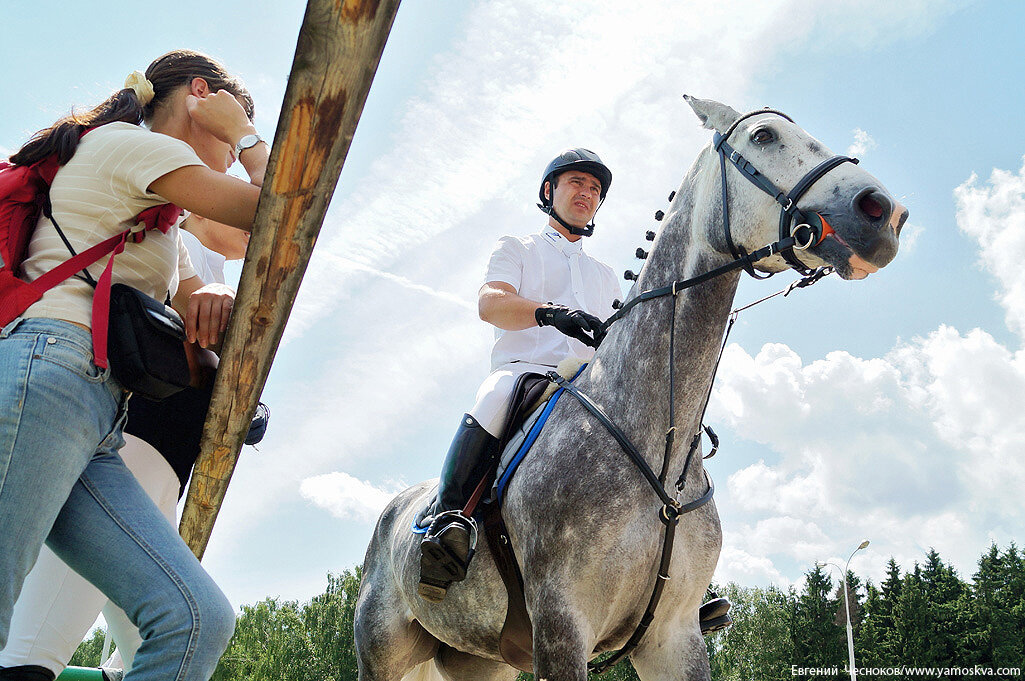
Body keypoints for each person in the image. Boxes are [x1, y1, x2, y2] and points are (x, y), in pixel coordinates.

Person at [0, 50, 269, 681]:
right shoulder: (132, 145)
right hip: (50, 375)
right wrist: (244, 132)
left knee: (195, 618)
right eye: (229, 137)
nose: (230, 157)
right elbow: (276, 210)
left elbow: (178, 295)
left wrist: (203, 302)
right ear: (201, 95)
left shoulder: (157, 211)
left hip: (95, 417)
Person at [0, 215, 251, 681]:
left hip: (160, 471)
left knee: (162, 650)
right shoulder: (176, 241)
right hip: (124, 451)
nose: (252, 224)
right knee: (31, 653)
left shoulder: (208, 265)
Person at [417, 148, 621, 603]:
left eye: (594, 189)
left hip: (590, 385)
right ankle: (447, 524)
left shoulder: (605, 275)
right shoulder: (518, 248)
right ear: (549, 191)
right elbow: (491, 303)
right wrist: (548, 313)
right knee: (494, 394)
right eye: (576, 183)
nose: (586, 194)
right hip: (524, 374)